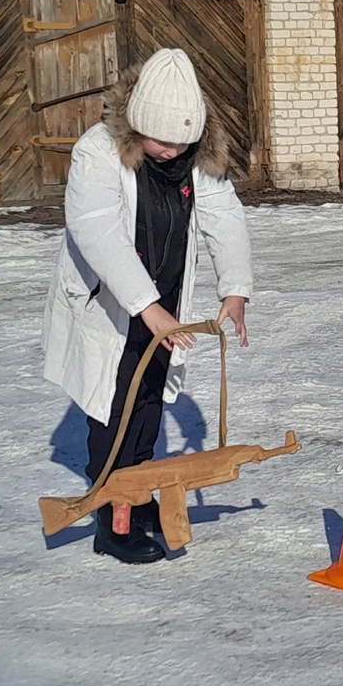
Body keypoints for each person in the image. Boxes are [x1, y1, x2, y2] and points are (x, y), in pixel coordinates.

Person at [42, 48, 253, 563]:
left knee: (148, 404)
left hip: (163, 301)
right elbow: (98, 233)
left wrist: (236, 289)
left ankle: (137, 502)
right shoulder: (98, 152)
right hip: (107, 303)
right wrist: (145, 305)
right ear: (137, 126)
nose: (172, 150)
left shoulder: (196, 156)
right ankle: (113, 521)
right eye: (162, 139)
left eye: (184, 140)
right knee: (113, 412)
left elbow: (224, 218)